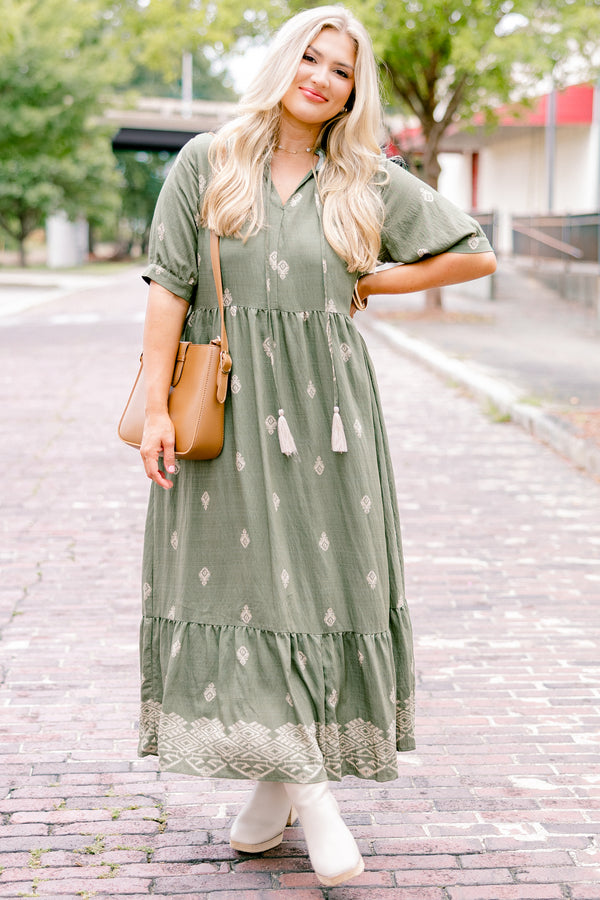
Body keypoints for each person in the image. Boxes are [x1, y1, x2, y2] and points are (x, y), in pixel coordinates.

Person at [137, 5, 496, 887]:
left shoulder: (364, 177)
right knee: (253, 590)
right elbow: (168, 289)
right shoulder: (208, 162)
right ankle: (314, 792)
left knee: (316, 589)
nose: (322, 77)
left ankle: (271, 797)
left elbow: (474, 252)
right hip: (225, 405)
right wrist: (152, 408)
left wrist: (374, 276)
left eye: (340, 69)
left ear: (351, 89)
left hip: (331, 416)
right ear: (283, 62)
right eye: (311, 57)